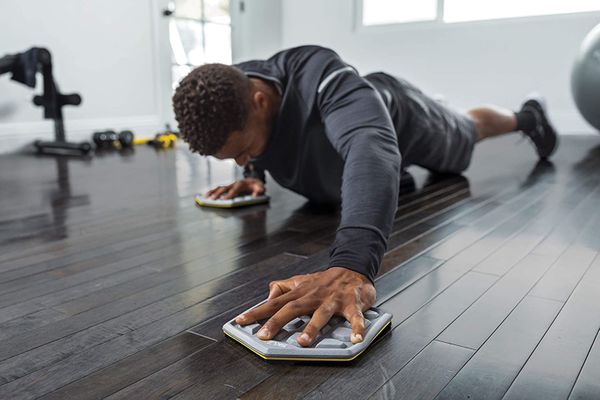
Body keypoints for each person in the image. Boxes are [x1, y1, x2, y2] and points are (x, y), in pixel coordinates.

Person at [172, 45, 558, 348]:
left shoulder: (317, 73)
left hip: (401, 120)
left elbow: (369, 145)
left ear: (261, 101)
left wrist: (353, 266)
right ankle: (396, 177)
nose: (242, 161)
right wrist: (253, 172)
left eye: (244, 151)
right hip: (338, 158)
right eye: (234, 159)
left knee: (464, 134)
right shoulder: (230, 93)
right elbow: (247, 145)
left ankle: (528, 116)